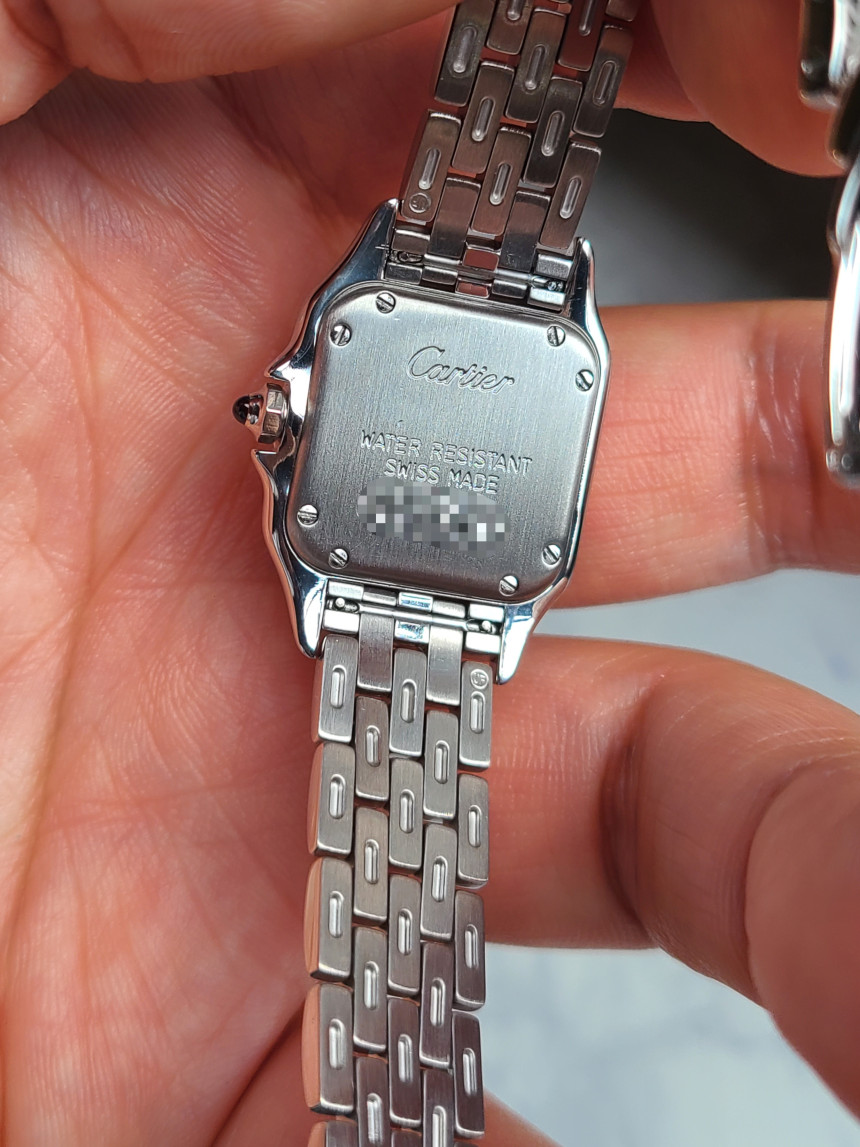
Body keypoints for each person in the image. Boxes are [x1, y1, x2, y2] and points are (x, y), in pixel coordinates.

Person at [0, 0, 857, 1142]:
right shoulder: (421, 317)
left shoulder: (386, 330)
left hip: (436, 553)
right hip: (447, 559)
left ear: (287, 405)